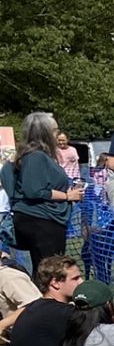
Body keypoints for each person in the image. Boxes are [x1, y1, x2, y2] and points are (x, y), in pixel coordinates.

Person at [6, 112, 87, 271]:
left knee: (45, 270)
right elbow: (34, 190)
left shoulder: (36, 156)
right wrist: (67, 196)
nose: (58, 134)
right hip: (42, 221)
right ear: (45, 133)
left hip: (42, 220)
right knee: (51, 271)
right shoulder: (35, 156)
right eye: (55, 130)